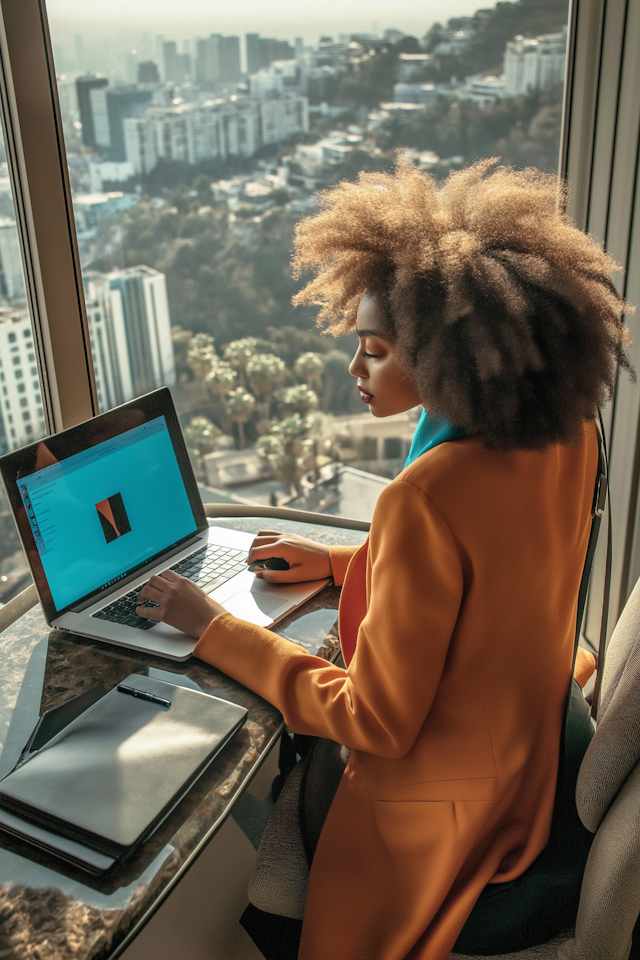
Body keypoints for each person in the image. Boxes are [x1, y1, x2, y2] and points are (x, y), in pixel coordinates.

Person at [135, 159, 631, 960]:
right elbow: (496, 568)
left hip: (441, 812)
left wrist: (213, 629)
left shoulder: (422, 499)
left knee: (261, 777)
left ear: (444, 354)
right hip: (525, 750)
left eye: (373, 349)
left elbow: (377, 722)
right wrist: (344, 564)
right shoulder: (563, 432)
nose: (356, 370)